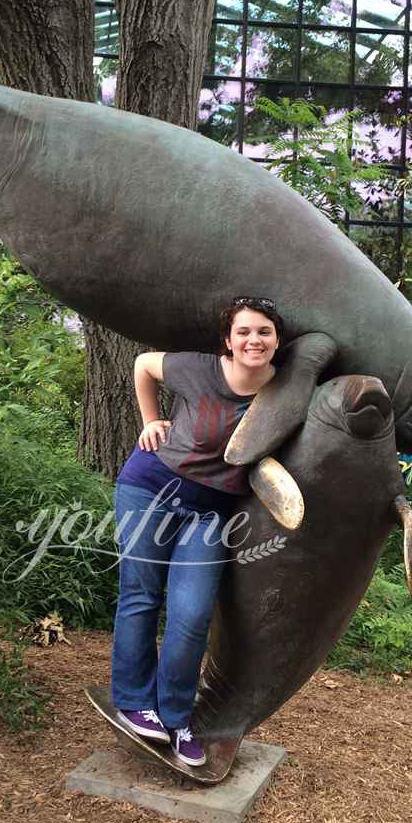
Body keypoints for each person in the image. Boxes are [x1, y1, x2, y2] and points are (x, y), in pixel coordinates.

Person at [110, 296, 285, 767]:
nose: (254, 340)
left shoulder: (286, 390)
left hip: (212, 514)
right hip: (150, 490)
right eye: (244, 332)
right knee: (141, 596)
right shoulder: (200, 370)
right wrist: (151, 420)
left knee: (191, 615)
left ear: (277, 339)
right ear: (228, 341)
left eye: (264, 331)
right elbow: (144, 365)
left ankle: (176, 717)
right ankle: (132, 700)